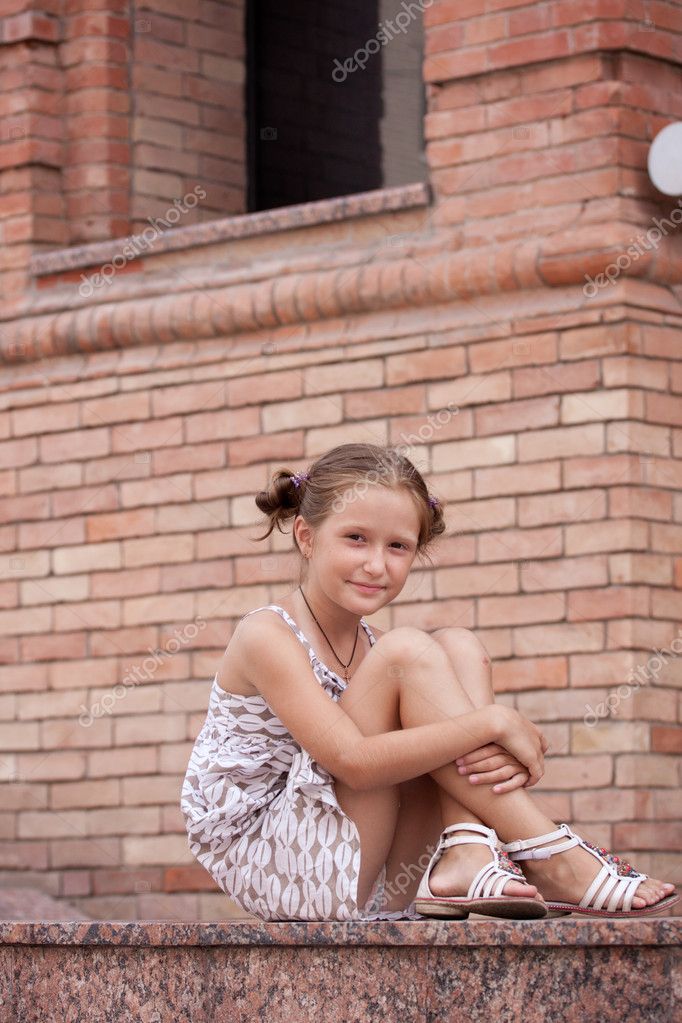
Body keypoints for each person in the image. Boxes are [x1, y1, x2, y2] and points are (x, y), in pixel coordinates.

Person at [180, 443, 678, 922]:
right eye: (356, 538)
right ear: (307, 537)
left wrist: (481, 726)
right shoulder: (265, 634)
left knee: (456, 645)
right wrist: (496, 721)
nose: (377, 565)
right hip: (279, 864)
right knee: (409, 653)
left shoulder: (374, 647)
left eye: (398, 546)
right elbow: (352, 763)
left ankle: (466, 851)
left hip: (375, 867)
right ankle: (552, 854)